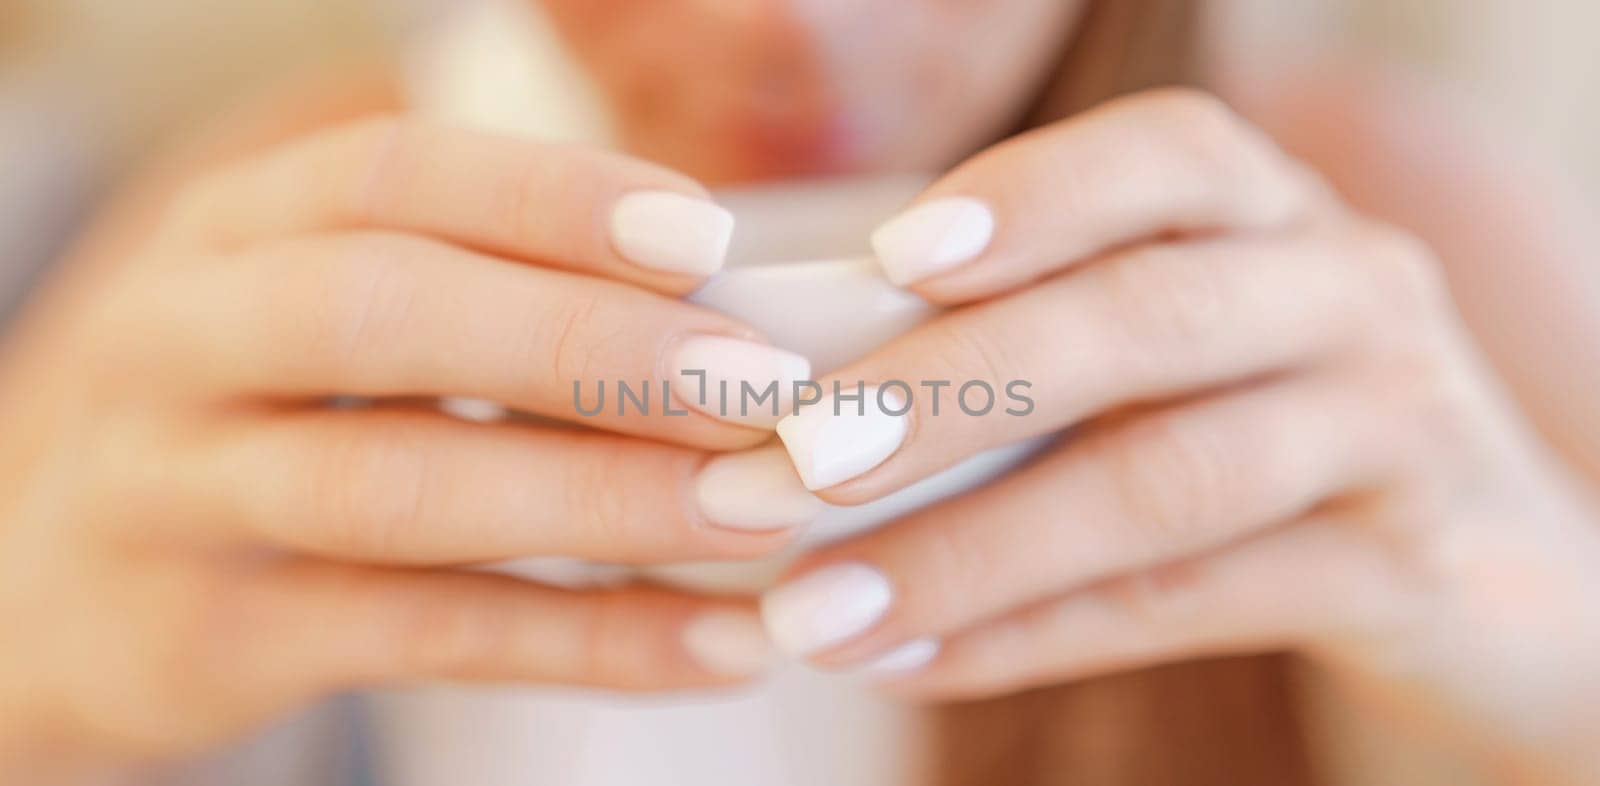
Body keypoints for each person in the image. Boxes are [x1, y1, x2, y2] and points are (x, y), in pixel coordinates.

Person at [2, 1, 1598, 784]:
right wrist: (40, 696)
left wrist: (1558, 668)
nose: (800, 31)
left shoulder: (1390, 234)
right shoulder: (298, 235)